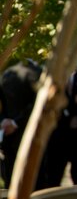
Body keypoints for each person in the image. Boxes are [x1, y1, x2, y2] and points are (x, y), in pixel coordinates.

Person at [42, 63, 77, 187]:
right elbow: (53, 102)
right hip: (58, 136)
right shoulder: (55, 80)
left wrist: (76, 115)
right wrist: (72, 101)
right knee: (54, 175)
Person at [1, 59, 44, 188]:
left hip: (8, 132)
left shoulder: (8, 73)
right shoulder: (36, 73)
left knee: (11, 174)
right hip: (29, 132)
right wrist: (15, 122)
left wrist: (4, 121)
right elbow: (37, 104)